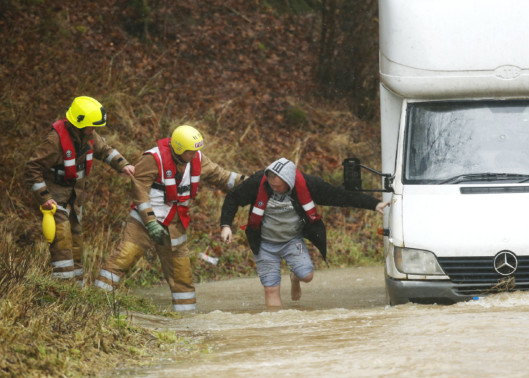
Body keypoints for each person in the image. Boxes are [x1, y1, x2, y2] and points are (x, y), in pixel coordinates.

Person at [94, 125, 246, 312]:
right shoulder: (152, 159)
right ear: (179, 149)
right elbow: (139, 192)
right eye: (191, 152)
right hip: (143, 222)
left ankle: (186, 321)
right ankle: (96, 304)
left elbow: (221, 176)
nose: (195, 155)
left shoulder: (196, 158)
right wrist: (150, 222)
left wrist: (250, 181)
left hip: (175, 224)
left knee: (181, 276)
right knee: (123, 259)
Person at [220, 157, 389, 308]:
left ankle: (295, 277)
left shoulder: (308, 184)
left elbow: (339, 196)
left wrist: (373, 204)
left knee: (307, 276)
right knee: (271, 290)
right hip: (264, 243)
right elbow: (233, 198)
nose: (274, 189)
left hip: (292, 240)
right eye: (272, 186)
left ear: (289, 182)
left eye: (278, 186)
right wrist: (226, 225)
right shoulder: (258, 182)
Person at [25, 96, 135, 284]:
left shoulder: (88, 135)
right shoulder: (54, 141)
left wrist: (124, 165)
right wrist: (44, 197)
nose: (94, 130)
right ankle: (63, 288)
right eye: (92, 126)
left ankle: (77, 287)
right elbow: (32, 168)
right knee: (62, 241)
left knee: (76, 240)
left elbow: (106, 151)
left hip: (75, 199)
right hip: (55, 198)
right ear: (78, 123)